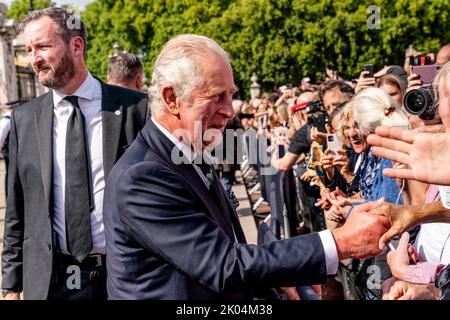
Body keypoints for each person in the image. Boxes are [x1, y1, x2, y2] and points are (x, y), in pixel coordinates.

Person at [103, 34, 390, 300]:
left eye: (231, 94)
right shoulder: (143, 176)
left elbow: (225, 251)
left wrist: (277, 274)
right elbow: (224, 265)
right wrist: (339, 242)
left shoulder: (184, 149)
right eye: (217, 96)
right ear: (171, 98)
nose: (230, 110)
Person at [1, 7, 148, 300]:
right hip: (53, 281)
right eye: (30, 50)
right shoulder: (25, 120)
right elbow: (17, 211)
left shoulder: (136, 109)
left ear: (76, 46)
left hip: (125, 277)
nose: (35, 59)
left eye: (43, 46)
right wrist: (10, 286)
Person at [0, 101, 19, 193]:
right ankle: (9, 197)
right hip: (8, 152)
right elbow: (0, 138)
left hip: (15, 152)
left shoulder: (13, 118)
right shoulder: (6, 120)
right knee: (10, 175)